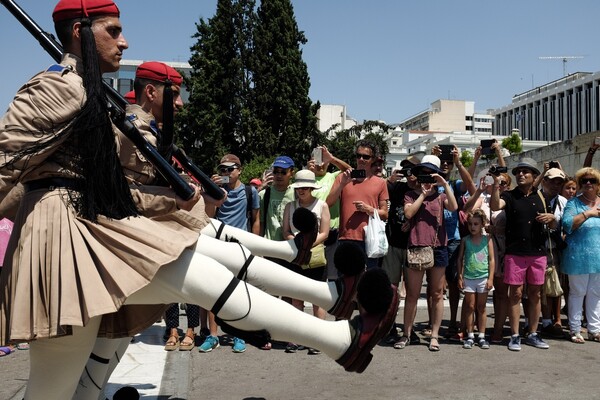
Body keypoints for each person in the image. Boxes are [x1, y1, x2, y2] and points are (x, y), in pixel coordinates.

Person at [0, 2, 398, 399]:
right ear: (79, 32)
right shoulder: (58, 86)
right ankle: (336, 334)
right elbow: (7, 164)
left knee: (201, 277)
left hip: (84, 227)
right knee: (52, 390)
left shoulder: (85, 89)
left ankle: (336, 330)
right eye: (113, 31)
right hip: (63, 238)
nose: (124, 41)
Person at [490, 158, 557, 351]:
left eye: (525, 171)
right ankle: (515, 335)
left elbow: (553, 225)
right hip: (515, 252)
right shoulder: (510, 196)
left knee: (535, 294)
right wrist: (496, 184)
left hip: (538, 252)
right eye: (518, 171)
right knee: (516, 294)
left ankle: (533, 333)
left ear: (534, 176)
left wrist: (552, 219)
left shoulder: (542, 197)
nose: (520, 174)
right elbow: (495, 206)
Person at [397, 155, 458, 351]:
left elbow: (454, 207)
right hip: (416, 246)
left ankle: (435, 335)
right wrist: (422, 194)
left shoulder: (440, 196)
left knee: (437, 293)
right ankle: (406, 334)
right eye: (422, 175)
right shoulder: (410, 195)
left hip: (438, 247)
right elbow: (408, 213)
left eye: (429, 175)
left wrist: (444, 184)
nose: (426, 179)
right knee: (413, 294)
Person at [283, 169, 330, 354]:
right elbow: (285, 230)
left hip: (316, 257)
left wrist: (308, 243)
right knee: (297, 299)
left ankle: (317, 339)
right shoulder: (290, 206)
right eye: (298, 187)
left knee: (318, 299)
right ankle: (296, 338)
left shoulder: (322, 205)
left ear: (311, 188)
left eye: (305, 187)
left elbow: (325, 233)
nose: (301, 190)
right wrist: (295, 242)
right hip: (295, 256)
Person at [463, 171, 511, 343]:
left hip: (503, 248)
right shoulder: (482, 198)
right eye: (493, 180)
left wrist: (498, 230)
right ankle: (472, 328)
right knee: (474, 296)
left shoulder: (508, 200)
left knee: (501, 292)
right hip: (480, 248)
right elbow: (466, 211)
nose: (498, 184)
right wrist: (479, 190)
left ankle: (497, 329)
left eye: (503, 183)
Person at [326, 140, 389, 269]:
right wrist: (343, 184)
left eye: (366, 157)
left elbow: (385, 214)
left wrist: (369, 209)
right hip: (345, 238)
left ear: (373, 159)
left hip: (370, 240)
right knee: (344, 282)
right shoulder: (343, 178)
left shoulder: (380, 183)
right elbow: (328, 203)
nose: (361, 159)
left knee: (367, 283)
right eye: (358, 155)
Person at [561, 167, 600, 344]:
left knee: (596, 294)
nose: (588, 183)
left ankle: (594, 329)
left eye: (592, 180)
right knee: (577, 293)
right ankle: (575, 329)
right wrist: (588, 213)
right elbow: (567, 224)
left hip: (598, 258)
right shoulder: (573, 203)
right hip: (578, 257)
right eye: (584, 181)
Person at [307, 146, 350, 281]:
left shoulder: (333, 176)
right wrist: (307, 172)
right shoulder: (306, 179)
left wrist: (332, 158)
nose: (320, 165)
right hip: (313, 232)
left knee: (332, 275)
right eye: (317, 160)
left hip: (332, 233)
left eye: (323, 161)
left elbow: (350, 171)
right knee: (314, 275)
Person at [456, 209, 495, 349]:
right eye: (470, 224)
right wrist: (460, 276)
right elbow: (460, 259)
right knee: (470, 306)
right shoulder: (465, 240)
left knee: (481, 307)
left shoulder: (487, 239)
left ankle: (482, 335)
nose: (473, 227)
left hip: (483, 277)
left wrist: (491, 278)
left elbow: (491, 259)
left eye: (476, 224)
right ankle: (470, 335)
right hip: (469, 277)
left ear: (482, 224)